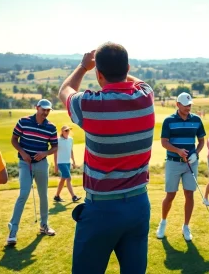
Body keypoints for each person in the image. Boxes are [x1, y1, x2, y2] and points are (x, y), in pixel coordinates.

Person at [58, 42, 155, 274]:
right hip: (139, 205)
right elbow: (132, 80)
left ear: (98, 74)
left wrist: (83, 67)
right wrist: (116, 69)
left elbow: (64, 90)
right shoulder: (146, 95)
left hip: (101, 209)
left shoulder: (89, 104)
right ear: (128, 67)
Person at [7, 99, 58, 246]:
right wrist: (22, 153)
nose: (46, 112)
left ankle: (44, 225)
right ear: (37, 108)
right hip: (25, 164)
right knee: (23, 194)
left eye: (48, 110)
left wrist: (45, 153)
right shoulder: (23, 121)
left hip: (41, 164)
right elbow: (14, 140)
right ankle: (13, 230)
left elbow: (55, 146)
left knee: (43, 195)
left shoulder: (51, 127)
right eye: (43, 109)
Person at [156, 92, 206, 241]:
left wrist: (195, 153)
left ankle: (186, 226)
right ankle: (163, 222)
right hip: (173, 162)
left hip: (191, 163)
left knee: (189, 194)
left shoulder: (196, 120)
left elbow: (202, 141)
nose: (188, 108)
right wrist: (178, 151)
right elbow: (164, 142)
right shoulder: (169, 121)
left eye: (190, 105)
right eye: (185, 105)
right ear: (178, 104)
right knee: (170, 195)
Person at [53, 126, 81, 203]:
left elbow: (71, 151)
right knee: (68, 178)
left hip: (68, 162)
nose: (67, 132)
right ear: (62, 131)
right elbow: (55, 153)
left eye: (68, 130)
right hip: (60, 163)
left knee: (63, 179)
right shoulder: (58, 140)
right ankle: (73, 196)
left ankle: (56, 196)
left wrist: (73, 161)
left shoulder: (71, 139)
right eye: (66, 130)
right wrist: (55, 165)